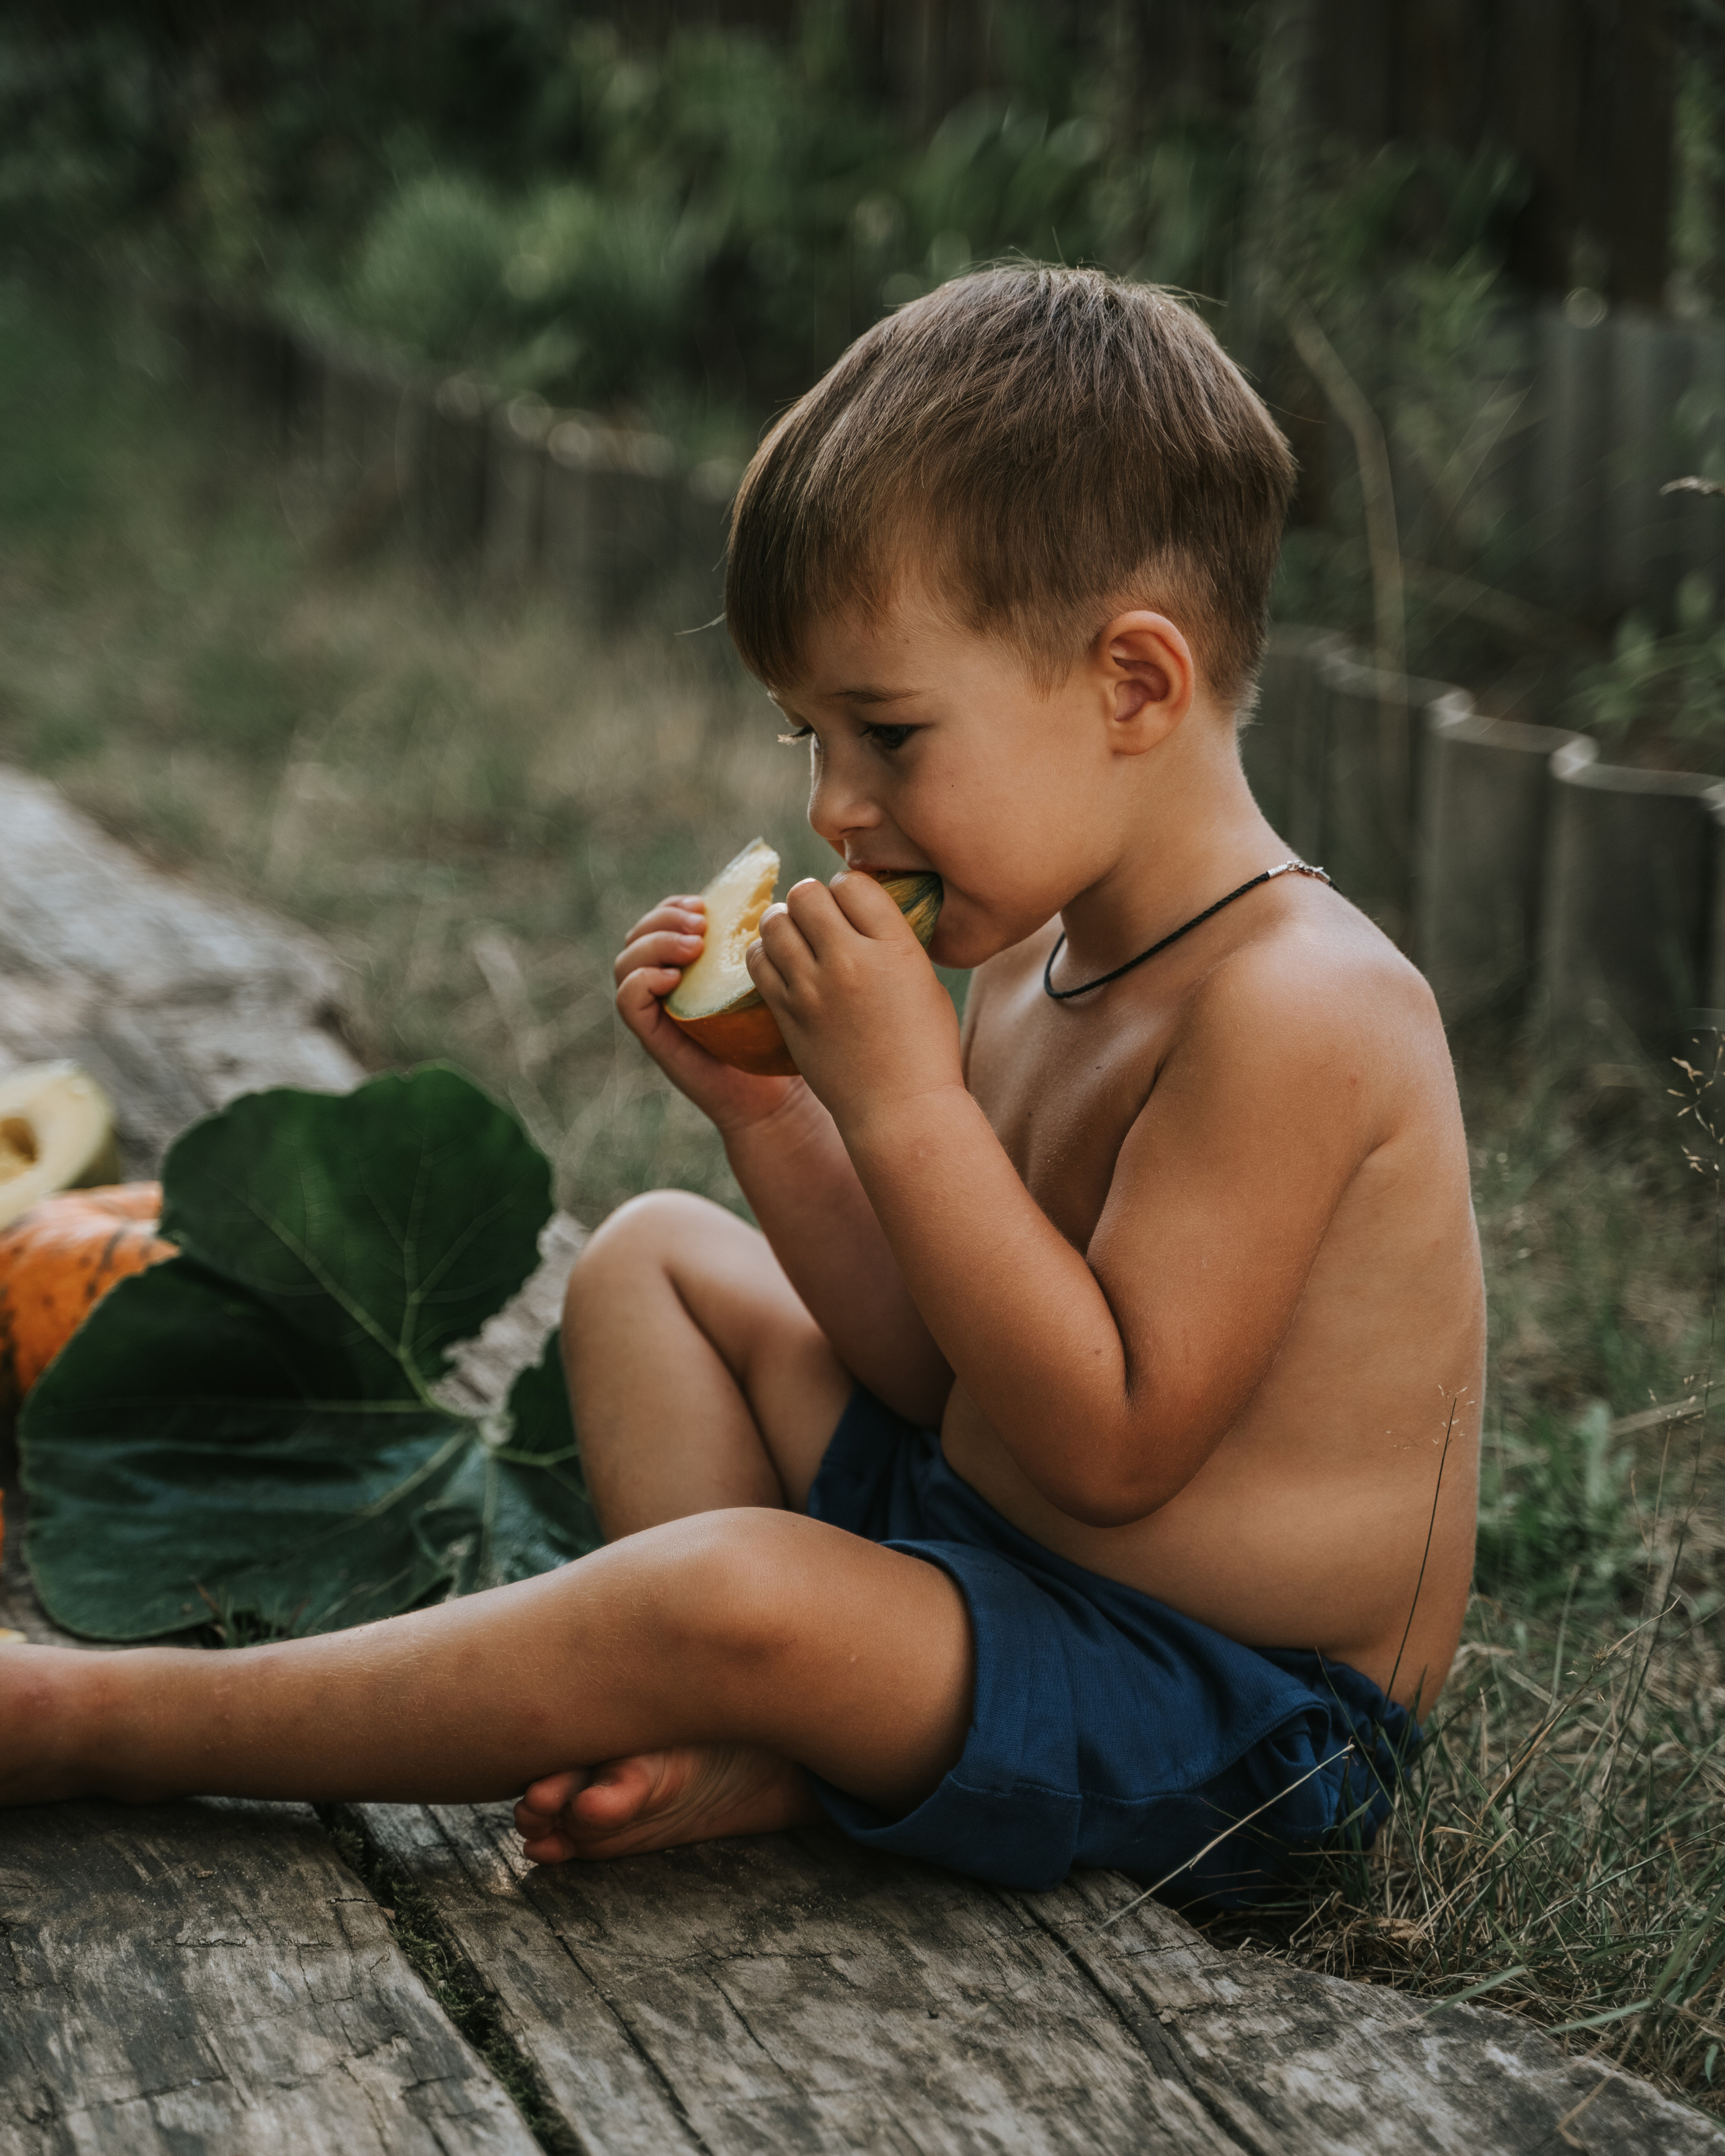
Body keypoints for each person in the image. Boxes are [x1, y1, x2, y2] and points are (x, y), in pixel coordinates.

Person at [3, 267, 1482, 1908]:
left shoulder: (1299, 1007)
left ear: (1132, 684)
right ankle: (773, 1720)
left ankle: (106, 1720)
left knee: (736, 1590)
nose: (836, 807)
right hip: (991, 1563)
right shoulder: (1021, 953)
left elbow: (1107, 1449)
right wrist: (772, 1116)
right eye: (807, 738)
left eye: (887, 731)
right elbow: (945, 1374)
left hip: (1226, 1714)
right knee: (645, 1260)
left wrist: (904, 1110)